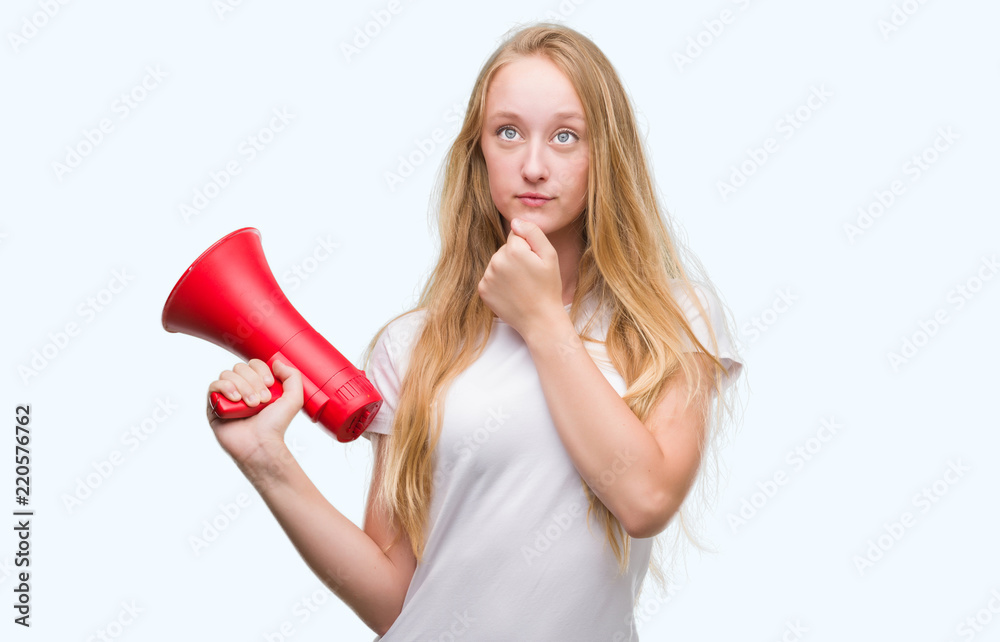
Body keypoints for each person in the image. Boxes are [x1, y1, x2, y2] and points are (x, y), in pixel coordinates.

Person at [206, 22, 745, 641]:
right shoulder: (413, 347)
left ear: (607, 155)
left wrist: (542, 321)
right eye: (508, 132)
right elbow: (394, 602)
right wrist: (267, 460)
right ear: (479, 151)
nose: (534, 165)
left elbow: (645, 500)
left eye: (566, 136)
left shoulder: (676, 319)